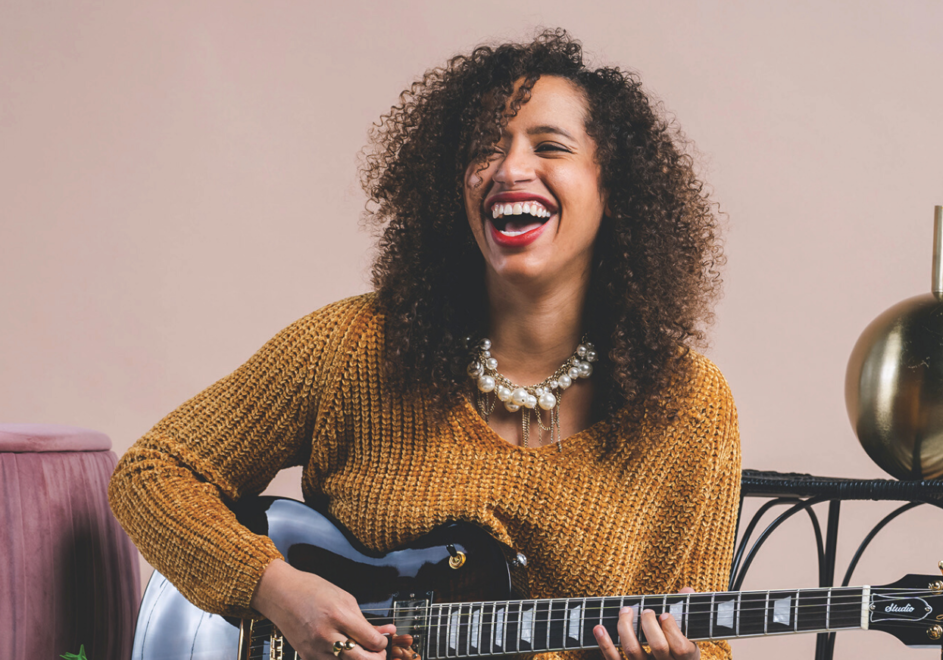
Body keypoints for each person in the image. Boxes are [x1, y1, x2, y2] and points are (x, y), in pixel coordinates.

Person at [109, 28, 740, 660]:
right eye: (483, 150)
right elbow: (151, 473)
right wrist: (278, 589)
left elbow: (706, 639)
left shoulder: (690, 405)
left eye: (549, 146)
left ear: (615, 188)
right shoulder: (359, 345)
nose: (509, 169)